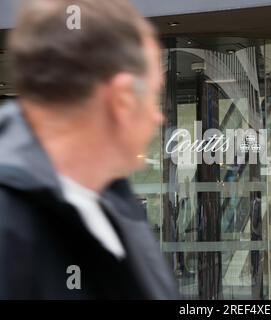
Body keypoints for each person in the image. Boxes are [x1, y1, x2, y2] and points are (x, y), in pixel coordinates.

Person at [0, 0, 178, 299]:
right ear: (122, 100)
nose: (157, 117)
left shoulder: (114, 202)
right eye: (154, 96)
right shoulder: (11, 225)